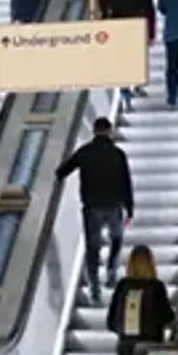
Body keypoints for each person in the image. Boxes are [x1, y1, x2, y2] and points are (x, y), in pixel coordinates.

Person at [55, 118, 134, 304]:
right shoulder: (118, 154)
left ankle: (95, 288)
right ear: (110, 131)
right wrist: (130, 209)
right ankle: (111, 272)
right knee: (117, 238)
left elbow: (62, 171)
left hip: (92, 208)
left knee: (93, 247)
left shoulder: (85, 152)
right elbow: (126, 184)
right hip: (114, 206)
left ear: (94, 131)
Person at [106, 245, 177, 355]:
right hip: (150, 345)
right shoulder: (156, 287)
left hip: (126, 345)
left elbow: (110, 322)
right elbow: (167, 317)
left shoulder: (122, 286)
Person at [97, 0, 156, 105]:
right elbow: (150, 10)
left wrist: (105, 14)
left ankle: (125, 92)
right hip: (136, 26)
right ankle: (136, 85)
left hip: (119, 25)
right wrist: (150, 33)